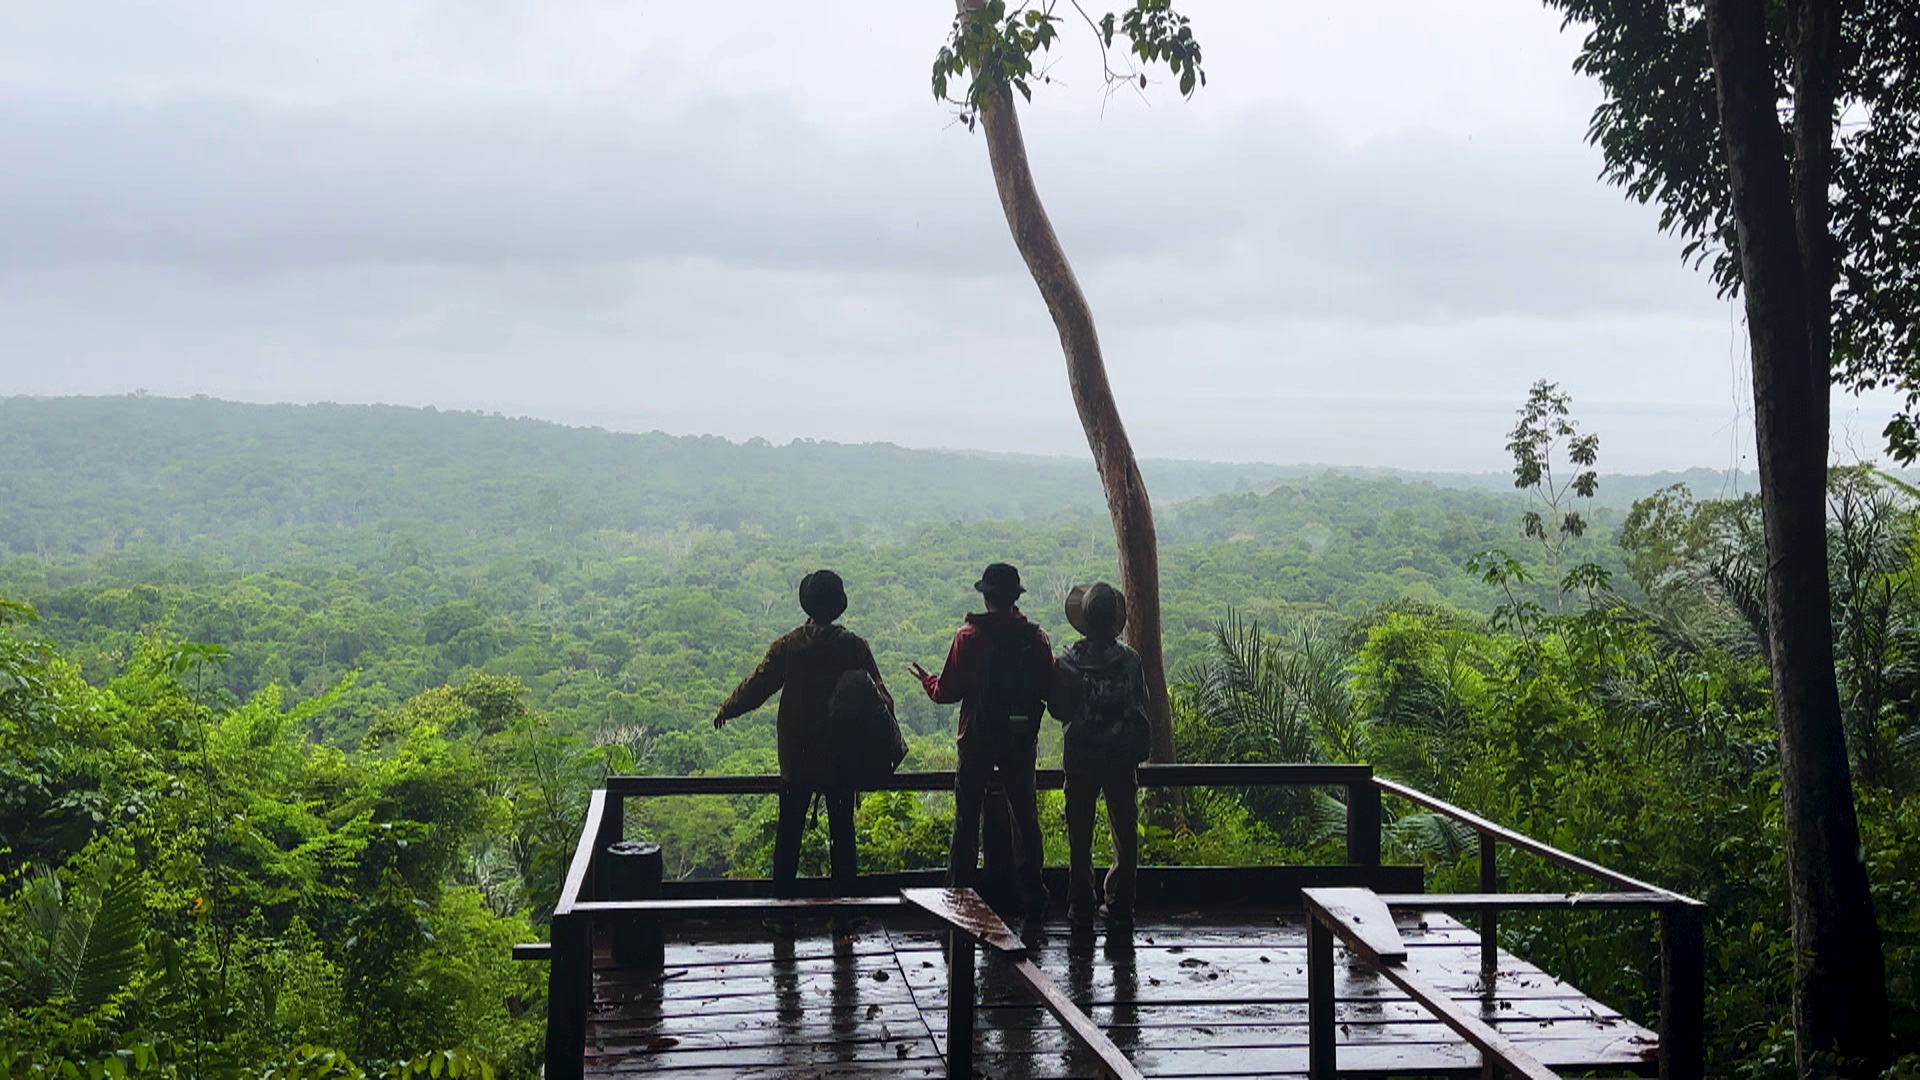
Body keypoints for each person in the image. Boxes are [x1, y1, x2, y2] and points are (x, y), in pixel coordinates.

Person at [713, 569, 892, 895]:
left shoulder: (789, 647)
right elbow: (882, 698)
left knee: (789, 834)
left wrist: (728, 709)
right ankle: (845, 912)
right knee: (843, 833)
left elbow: (758, 687)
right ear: (839, 605)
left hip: (798, 759)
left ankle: (781, 912)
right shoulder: (854, 647)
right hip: (841, 758)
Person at [912, 562, 1052, 922]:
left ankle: (958, 895)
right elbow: (1048, 688)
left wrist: (927, 680)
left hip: (976, 738)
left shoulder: (969, 638)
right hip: (1019, 738)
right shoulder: (1036, 638)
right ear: (1014, 598)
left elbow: (947, 693)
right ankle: (1032, 895)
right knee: (1024, 816)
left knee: (966, 818)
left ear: (986, 597)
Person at [1049, 582, 1150, 925]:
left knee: (1080, 834)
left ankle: (1080, 903)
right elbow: (1141, 704)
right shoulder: (1130, 661)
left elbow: (1060, 710)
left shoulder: (1069, 662)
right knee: (1125, 830)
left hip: (1081, 758)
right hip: (1121, 758)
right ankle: (1122, 901)